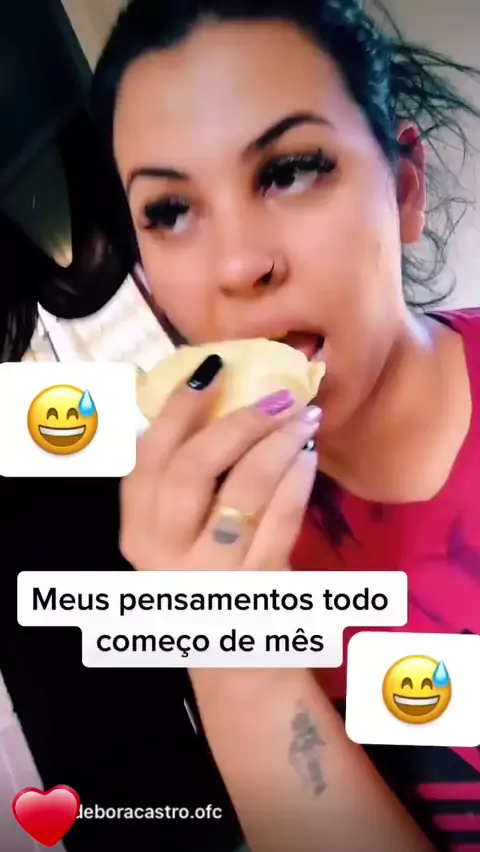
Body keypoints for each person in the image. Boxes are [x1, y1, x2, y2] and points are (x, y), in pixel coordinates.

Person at [91, 0, 480, 850]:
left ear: (404, 188)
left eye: (292, 169)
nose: (239, 264)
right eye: (170, 212)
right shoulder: (201, 548)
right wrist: (227, 650)